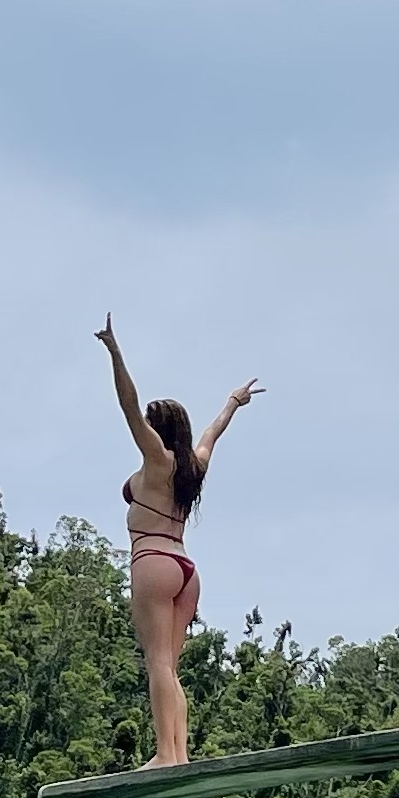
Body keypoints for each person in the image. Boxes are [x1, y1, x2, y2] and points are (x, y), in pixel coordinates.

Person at [96, 313, 261, 767]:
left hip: (152, 561)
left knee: (157, 662)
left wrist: (115, 353)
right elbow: (212, 432)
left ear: (159, 431)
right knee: (170, 666)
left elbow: (128, 406)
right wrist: (233, 402)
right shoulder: (193, 465)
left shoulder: (158, 460)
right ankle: (179, 753)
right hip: (186, 569)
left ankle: (166, 753)